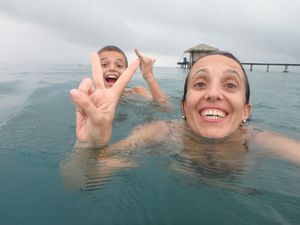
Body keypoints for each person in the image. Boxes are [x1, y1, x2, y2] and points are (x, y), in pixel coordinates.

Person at [69, 50, 300, 166]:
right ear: (184, 104)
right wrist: (88, 145)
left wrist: (149, 77)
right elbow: (86, 178)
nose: (213, 94)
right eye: (200, 84)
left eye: (230, 85)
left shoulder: (256, 138)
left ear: (246, 111)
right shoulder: (161, 131)